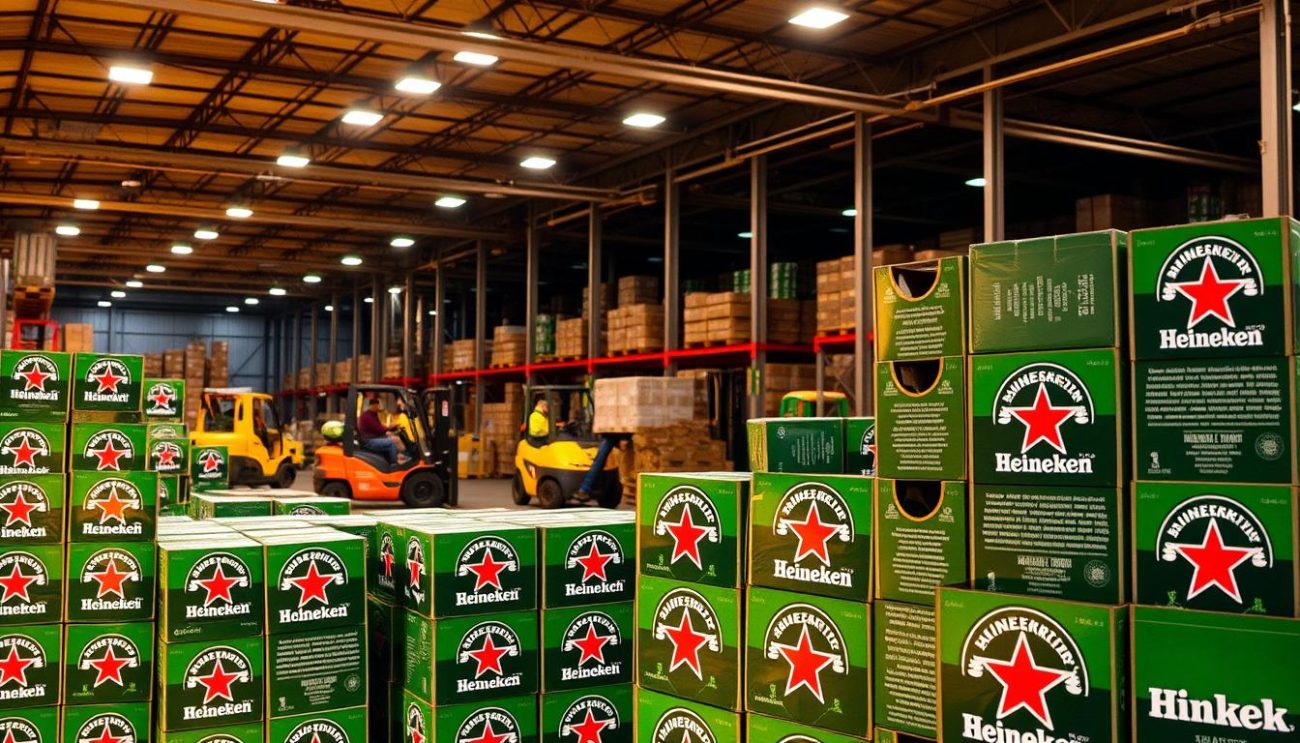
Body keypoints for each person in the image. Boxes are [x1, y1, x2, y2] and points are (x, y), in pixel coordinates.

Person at [358, 397, 404, 465]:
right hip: (369, 441)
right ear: (372, 406)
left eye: (378, 405)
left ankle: (400, 456)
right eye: (377, 406)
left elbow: (379, 426)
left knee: (395, 438)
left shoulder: (373, 414)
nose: (378, 407)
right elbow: (378, 429)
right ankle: (394, 463)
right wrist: (391, 428)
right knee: (392, 442)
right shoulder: (367, 416)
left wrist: (388, 430)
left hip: (374, 437)